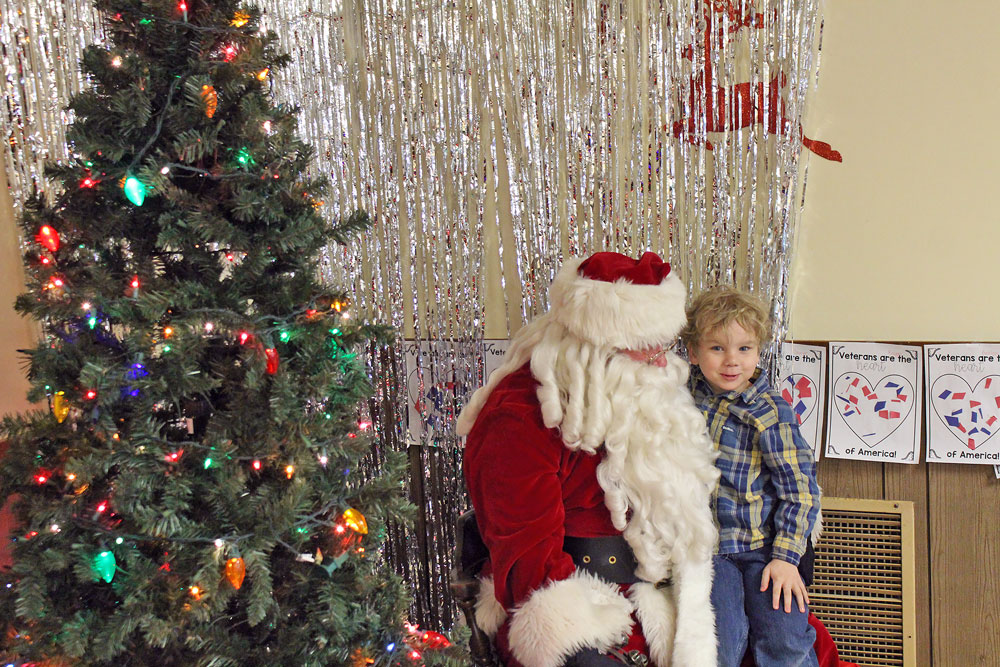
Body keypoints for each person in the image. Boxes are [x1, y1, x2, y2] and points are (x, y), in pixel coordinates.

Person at [457, 251, 720, 667]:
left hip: (659, 594)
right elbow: (531, 567)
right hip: (571, 601)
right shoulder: (521, 413)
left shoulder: (645, 394)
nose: (658, 360)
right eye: (643, 347)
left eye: (662, 345)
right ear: (594, 343)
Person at [680, 286, 821, 667]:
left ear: (758, 352)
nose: (731, 361)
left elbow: (800, 490)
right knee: (720, 644)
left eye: (744, 349)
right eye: (717, 348)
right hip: (710, 552)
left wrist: (787, 558)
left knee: (785, 637)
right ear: (693, 353)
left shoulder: (770, 412)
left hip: (763, 548)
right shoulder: (680, 398)